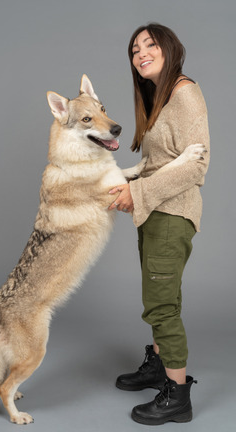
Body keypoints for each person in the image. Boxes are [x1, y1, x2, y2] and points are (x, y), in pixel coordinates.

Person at [108, 23, 210, 425]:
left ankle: (177, 396)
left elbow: (196, 164)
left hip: (172, 214)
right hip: (155, 214)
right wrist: (124, 185)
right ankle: (158, 366)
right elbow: (157, 164)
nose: (141, 53)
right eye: (135, 49)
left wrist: (139, 194)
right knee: (161, 296)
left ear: (169, 49)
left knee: (162, 304)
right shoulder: (160, 100)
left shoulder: (185, 93)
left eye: (150, 44)